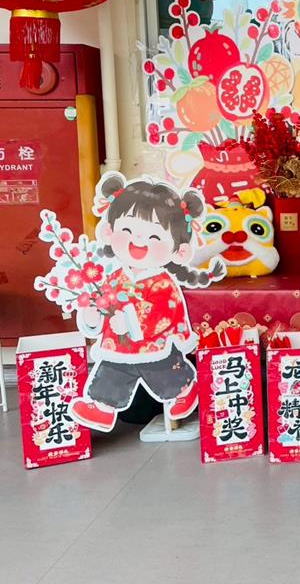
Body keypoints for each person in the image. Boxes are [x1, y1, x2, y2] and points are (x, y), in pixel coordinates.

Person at [69, 173, 225, 432]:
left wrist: (129, 321)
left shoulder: (163, 283)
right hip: (118, 347)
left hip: (154, 344)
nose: (138, 241)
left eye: (153, 237)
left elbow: (163, 315)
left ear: (178, 249)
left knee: (164, 374)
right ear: (110, 231)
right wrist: (93, 316)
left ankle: (185, 390)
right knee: (111, 373)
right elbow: (102, 302)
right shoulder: (114, 278)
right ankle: (103, 408)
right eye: (127, 231)